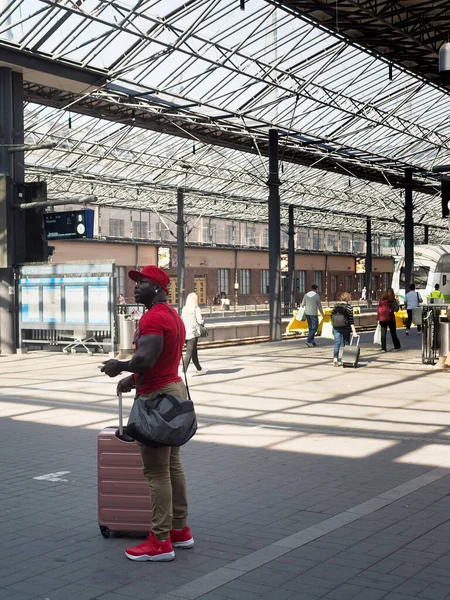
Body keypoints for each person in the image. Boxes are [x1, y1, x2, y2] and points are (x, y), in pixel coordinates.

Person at [100, 265, 194, 562]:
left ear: (158, 287)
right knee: (172, 467)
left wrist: (120, 367)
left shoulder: (153, 317)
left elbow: (145, 358)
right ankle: (180, 531)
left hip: (156, 398)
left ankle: (160, 542)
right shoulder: (171, 314)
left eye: (142, 282)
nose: (136, 287)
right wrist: (132, 379)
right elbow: (161, 360)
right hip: (172, 391)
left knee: (156, 472)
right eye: (136, 282)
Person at [181, 292, 208, 375]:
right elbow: (199, 321)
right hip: (193, 334)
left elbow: (182, 320)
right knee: (189, 353)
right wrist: (203, 320)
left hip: (185, 333)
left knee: (193, 351)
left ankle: (199, 369)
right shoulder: (196, 309)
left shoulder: (184, 309)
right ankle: (183, 372)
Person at [331, 292, 357, 367]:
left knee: (337, 343)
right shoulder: (349, 307)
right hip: (346, 328)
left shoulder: (335, 307)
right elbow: (351, 320)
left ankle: (335, 359)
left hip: (336, 327)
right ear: (348, 299)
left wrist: (334, 325)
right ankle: (346, 359)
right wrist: (354, 332)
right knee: (346, 344)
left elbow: (331, 316)